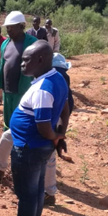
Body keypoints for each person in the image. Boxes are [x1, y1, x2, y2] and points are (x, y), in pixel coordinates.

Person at [0, 41, 69, 216]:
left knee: (27, 193)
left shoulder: (44, 88)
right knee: (35, 190)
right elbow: (65, 109)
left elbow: (43, 125)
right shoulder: (57, 78)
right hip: (38, 147)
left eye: (26, 60)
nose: (21, 64)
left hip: (29, 147)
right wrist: (60, 135)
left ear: (41, 60)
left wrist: (55, 136)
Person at [0, 11, 37, 180]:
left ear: (22, 26)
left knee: (22, 127)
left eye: (12, 28)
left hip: (24, 93)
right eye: (8, 28)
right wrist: (0, 88)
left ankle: (22, 162)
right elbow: (4, 64)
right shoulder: (6, 44)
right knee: (8, 126)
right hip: (9, 92)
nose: (9, 30)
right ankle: (7, 161)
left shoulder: (32, 44)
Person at [44, 53, 75, 205]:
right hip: (56, 121)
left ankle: (49, 192)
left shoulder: (56, 78)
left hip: (53, 122)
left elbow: (65, 109)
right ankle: (49, 189)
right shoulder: (63, 77)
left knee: (49, 155)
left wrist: (60, 133)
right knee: (50, 153)